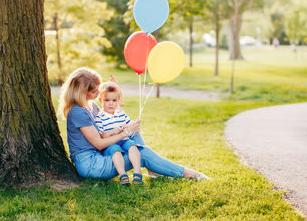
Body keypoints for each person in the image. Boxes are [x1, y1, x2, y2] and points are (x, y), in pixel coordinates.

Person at [58, 67, 210, 183]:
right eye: (94, 91)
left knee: (131, 129)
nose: (98, 93)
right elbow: (98, 143)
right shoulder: (78, 112)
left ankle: (153, 170)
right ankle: (190, 174)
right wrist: (125, 133)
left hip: (100, 154)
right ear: (82, 92)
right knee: (140, 151)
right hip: (91, 164)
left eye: (99, 89)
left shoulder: (91, 106)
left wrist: (118, 93)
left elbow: (115, 118)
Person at [95, 82, 143, 185]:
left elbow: (130, 125)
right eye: (107, 100)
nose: (111, 103)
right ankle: (123, 175)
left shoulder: (121, 114)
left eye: (114, 100)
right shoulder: (99, 118)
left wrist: (131, 125)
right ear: (100, 101)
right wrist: (112, 132)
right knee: (116, 151)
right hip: (110, 144)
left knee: (133, 146)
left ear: (118, 102)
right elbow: (101, 135)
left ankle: (137, 171)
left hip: (123, 140)